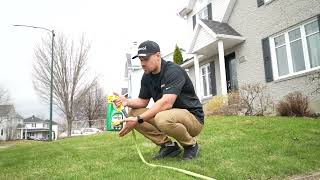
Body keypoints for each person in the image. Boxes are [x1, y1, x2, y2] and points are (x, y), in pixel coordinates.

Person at [114, 40, 204, 161]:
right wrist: (127, 102)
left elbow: (166, 103)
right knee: (134, 113)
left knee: (159, 117)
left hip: (193, 120)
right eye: (140, 60)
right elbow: (143, 101)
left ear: (158, 55)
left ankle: (191, 145)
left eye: (145, 59)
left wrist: (138, 120)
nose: (142, 63)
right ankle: (169, 146)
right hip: (168, 117)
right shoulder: (147, 77)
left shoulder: (173, 71)